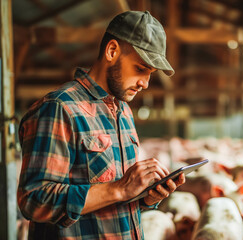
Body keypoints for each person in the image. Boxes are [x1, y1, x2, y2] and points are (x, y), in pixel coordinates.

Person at [17, 11, 185, 240]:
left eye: (151, 74)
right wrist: (118, 189)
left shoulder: (123, 110)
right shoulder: (60, 108)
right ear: (112, 51)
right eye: (140, 68)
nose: (145, 83)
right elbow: (34, 200)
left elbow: (114, 202)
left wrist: (146, 198)